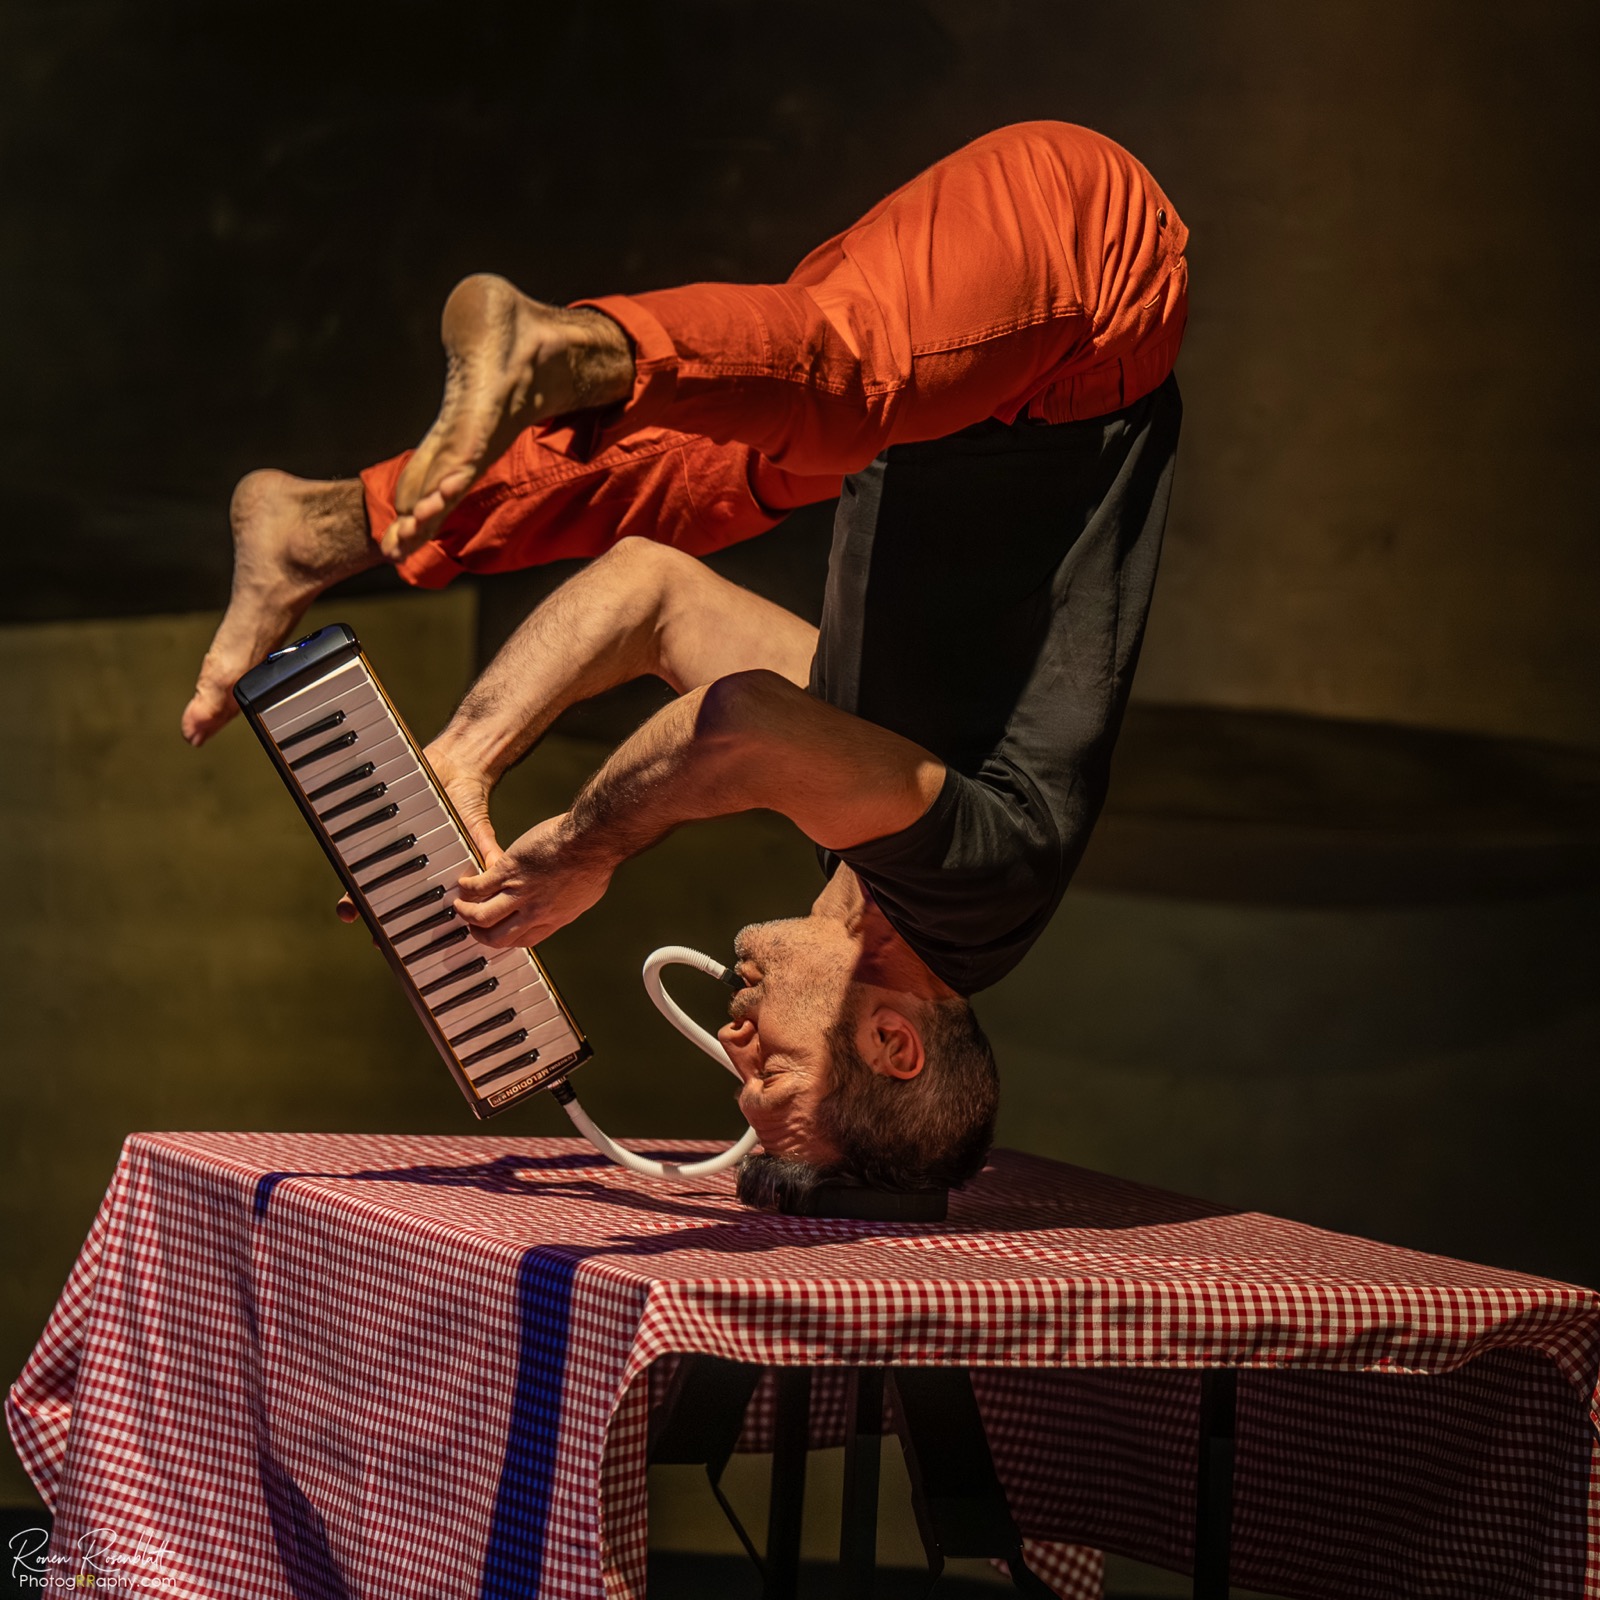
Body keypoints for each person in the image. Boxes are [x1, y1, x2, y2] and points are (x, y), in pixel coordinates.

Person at [181, 122, 1189, 1208]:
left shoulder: (880, 818)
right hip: (1091, 302)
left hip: (958, 384)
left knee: (668, 484)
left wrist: (464, 764)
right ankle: (558, 344)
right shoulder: (978, 891)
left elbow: (651, 598)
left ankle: (323, 526)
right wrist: (582, 847)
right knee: (840, 379)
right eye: (773, 1074)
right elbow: (742, 726)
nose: (733, 1041)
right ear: (895, 1040)